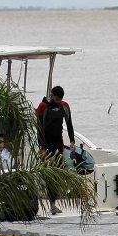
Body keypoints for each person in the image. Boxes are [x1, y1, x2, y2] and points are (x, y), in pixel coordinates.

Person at [37, 86, 77, 214]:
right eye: (56, 98)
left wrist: (72, 140)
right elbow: (39, 128)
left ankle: (54, 202)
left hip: (58, 145)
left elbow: (69, 124)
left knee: (58, 174)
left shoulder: (64, 106)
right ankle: (52, 204)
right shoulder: (43, 106)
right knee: (50, 174)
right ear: (52, 95)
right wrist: (41, 147)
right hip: (47, 146)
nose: (58, 101)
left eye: (60, 99)